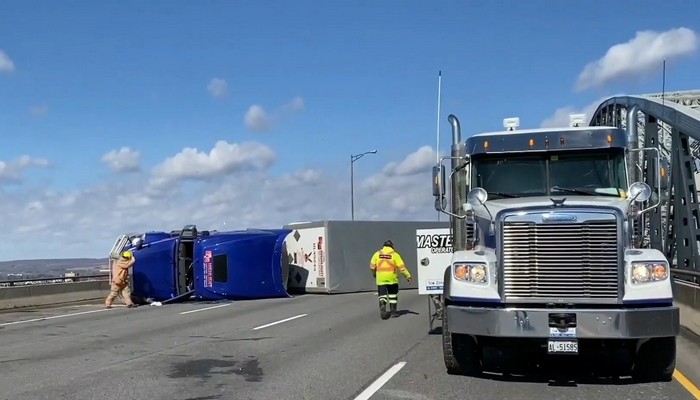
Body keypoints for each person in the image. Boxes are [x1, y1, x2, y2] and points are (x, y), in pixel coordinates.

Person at [369, 240, 412, 319]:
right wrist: (408, 276)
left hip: (381, 278)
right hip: (392, 279)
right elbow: (402, 268)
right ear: (392, 246)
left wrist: (374, 273)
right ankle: (393, 312)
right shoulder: (395, 255)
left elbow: (372, 266)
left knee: (382, 295)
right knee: (392, 295)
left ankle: (382, 305)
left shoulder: (377, 254)